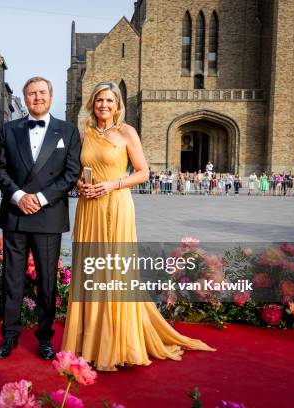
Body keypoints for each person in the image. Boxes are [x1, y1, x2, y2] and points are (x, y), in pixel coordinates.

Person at [62, 81, 214, 370]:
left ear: (118, 104)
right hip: (89, 207)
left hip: (116, 206)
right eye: (99, 100)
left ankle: (115, 341)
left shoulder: (127, 132)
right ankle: (88, 340)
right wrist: (79, 183)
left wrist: (112, 184)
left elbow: (143, 172)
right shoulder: (86, 134)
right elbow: (80, 170)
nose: (103, 105)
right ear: (91, 104)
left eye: (109, 100)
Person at [0, 76, 81, 360]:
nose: (37, 97)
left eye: (42, 92)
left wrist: (41, 198)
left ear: (51, 96)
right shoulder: (8, 129)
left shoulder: (68, 131)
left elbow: (71, 173)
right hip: (16, 214)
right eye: (31, 93)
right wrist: (20, 196)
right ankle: (9, 336)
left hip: (48, 216)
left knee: (46, 282)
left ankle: (45, 338)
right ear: (26, 97)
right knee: (12, 281)